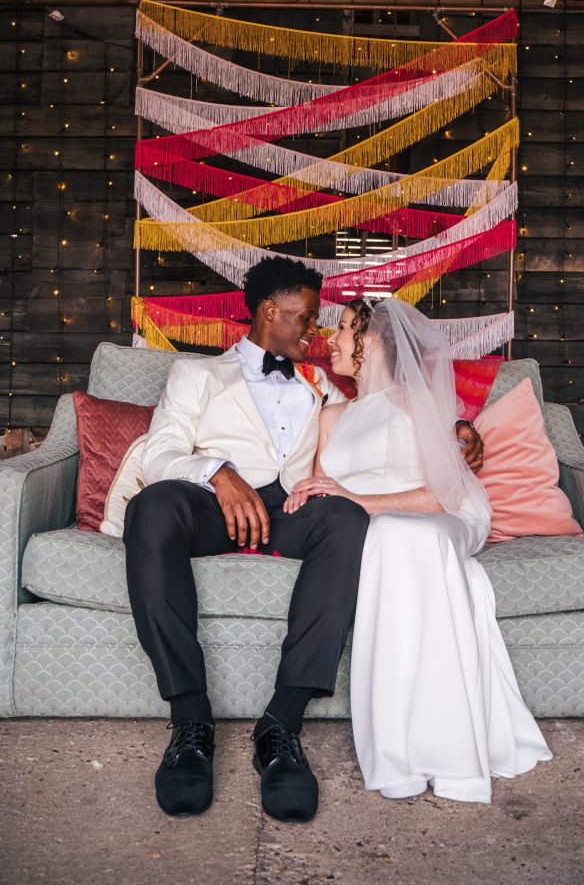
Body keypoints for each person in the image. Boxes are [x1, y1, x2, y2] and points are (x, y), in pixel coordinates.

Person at [123, 258, 484, 822]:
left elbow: (393, 409)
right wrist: (219, 474)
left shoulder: (319, 390)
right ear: (271, 311)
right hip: (211, 504)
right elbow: (159, 451)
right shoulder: (195, 376)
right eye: (307, 318)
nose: (315, 332)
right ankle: (191, 723)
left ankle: (281, 726)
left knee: (346, 519)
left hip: (289, 509)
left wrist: (460, 432)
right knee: (151, 506)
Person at [285, 297, 552, 804]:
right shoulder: (331, 416)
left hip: (437, 514)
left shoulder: (419, 404)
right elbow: (322, 484)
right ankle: (396, 750)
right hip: (365, 521)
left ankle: (446, 748)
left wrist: (361, 501)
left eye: (342, 329)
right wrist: (308, 491)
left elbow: (445, 493)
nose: (331, 340)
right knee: (384, 536)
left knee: (399, 534)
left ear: (373, 340)